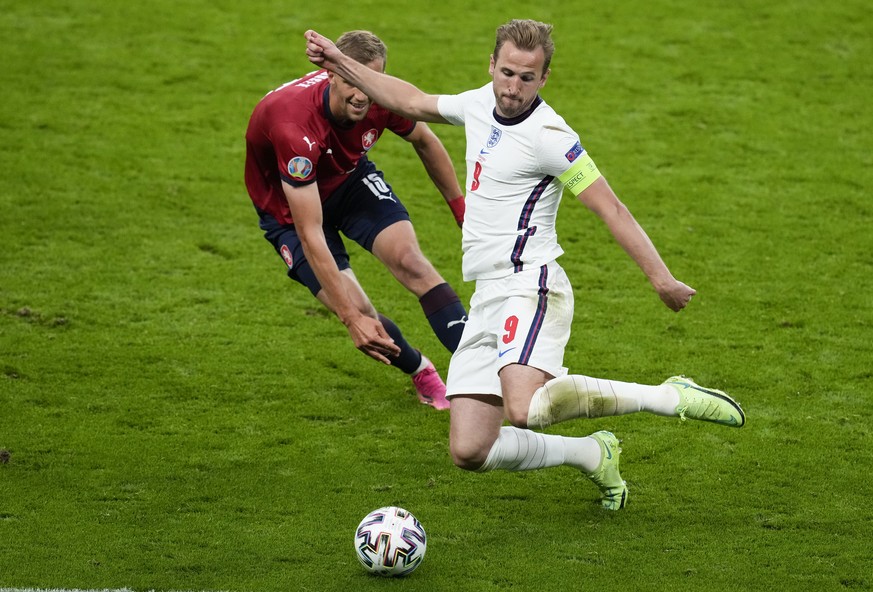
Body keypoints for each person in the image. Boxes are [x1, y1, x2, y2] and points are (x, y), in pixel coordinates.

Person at [305, 20, 745, 510]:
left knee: (525, 408)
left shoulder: (551, 136)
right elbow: (409, 100)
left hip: (531, 284)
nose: (513, 88)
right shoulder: (477, 103)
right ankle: (591, 454)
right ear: (491, 65)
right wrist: (339, 62)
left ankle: (667, 395)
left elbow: (611, 208)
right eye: (507, 73)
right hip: (488, 293)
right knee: (470, 449)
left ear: (544, 79)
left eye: (527, 78)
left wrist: (660, 278)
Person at [245, 30, 469, 410]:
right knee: (360, 310)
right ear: (331, 72)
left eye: (368, 82)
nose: (361, 95)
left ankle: (486, 372)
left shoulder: (381, 97)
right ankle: (421, 370)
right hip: (288, 213)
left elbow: (426, 140)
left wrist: (463, 214)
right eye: (350, 80)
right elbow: (310, 229)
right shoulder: (294, 125)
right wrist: (350, 318)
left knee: (412, 262)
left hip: (347, 180)